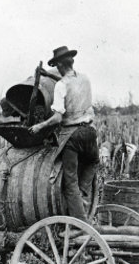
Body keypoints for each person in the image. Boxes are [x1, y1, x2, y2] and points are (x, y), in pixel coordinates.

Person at [29, 46, 98, 221]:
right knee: (91, 165)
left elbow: (57, 118)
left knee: (69, 183)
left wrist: (39, 126)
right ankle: (84, 205)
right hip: (90, 133)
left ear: (60, 64)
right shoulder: (84, 79)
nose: (56, 68)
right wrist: (48, 75)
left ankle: (79, 224)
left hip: (73, 137)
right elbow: (68, 81)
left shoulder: (61, 86)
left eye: (56, 65)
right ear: (71, 62)